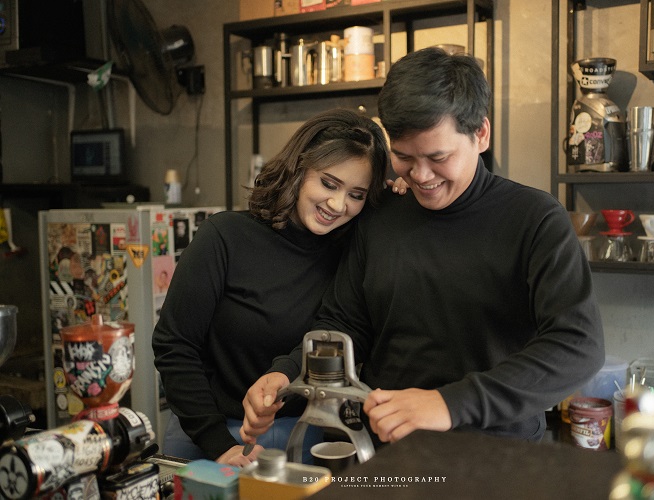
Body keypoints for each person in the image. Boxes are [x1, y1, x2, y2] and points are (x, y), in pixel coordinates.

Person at [241, 47, 605, 447]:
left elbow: (578, 345)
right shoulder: (380, 215)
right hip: (386, 447)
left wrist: (448, 404)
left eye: (438, 157)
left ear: (481, 134)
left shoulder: (534, 219)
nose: (421, 175)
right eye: (404, 157)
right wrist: (289, 372)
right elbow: (345, 324)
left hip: (496, 449)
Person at [152, 108, 389, 466]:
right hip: (204, 434)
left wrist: (399, 191)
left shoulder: (349, 252)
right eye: (328, 184)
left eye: (356, 194)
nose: (338, 205)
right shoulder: (225, 237)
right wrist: (220, 445)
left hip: (301, 434)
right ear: (298, 169)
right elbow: (174, 345)